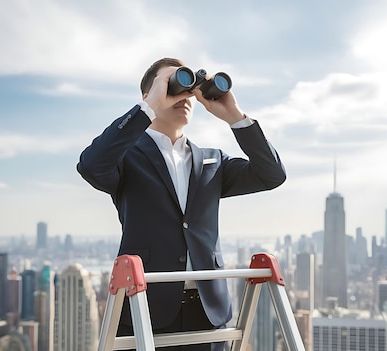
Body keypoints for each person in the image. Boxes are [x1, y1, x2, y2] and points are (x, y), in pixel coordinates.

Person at [77, 57, 286, 350]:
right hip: (146, 307)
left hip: (209, 312)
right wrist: (147, 109)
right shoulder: (127, 157)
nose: (184, 96)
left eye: (188, 88)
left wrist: (234, 116)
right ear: (148, 96)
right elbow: (90, 166)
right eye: (172, 86)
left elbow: (272, 175)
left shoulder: (213, 160)